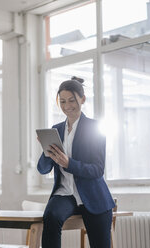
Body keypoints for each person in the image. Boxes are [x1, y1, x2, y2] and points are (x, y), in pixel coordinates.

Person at [37, 76, 115, 248]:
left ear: (83, 99)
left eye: (72, 100)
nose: (67, 106)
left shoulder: (95, 128)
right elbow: (42, 169)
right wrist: (46, 152)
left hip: (94, 197)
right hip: (65, 195)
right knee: (50, 217)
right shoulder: (56, 129)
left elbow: (97, 169)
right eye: (62, 101)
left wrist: (68, 163)